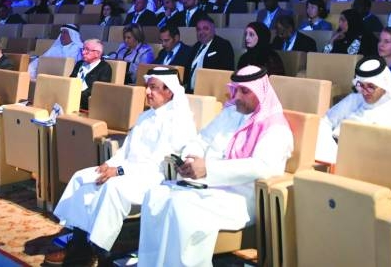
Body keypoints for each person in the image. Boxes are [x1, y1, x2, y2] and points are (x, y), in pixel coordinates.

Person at [137, 65, 294, 267]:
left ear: (260, 92)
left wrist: (208, 170)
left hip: (243, 196)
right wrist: (192, 158)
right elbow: (202, 139)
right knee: (156, 195)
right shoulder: (230, 113)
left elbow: (262, 167)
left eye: (245, 91)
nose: (237, 96)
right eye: (235, 89)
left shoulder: (275, 126)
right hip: (208, 187)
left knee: (182, 208)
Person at [48, 67, 198, 266]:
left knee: (112, 187)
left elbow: (159, 163)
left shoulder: (179, 120)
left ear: (168, 90)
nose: (147, 92)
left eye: (153, 88)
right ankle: (79, 243)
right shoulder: (145, 116)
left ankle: (100, 249)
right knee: (83, 177)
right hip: (128, 169)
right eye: (147, 87)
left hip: (155, 177)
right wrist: (109, 164)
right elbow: (125, 150)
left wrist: (119, 171)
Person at [314, 57, 391, 163]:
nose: (365, 92)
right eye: (361, 86)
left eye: (370, 87)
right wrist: (331, 152)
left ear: (384, 86)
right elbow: (326, 121)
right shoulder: (354, 99)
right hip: (336, 154)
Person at [186, 16, 236, 92]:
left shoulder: (223, 45)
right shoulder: (195, 47)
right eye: (198, 29)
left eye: (206, 28)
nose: (201, 32)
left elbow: (226, 71)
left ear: (213, 29)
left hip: (211, 91)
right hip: (191, 91)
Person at [70, 38, 112, 111]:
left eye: (87, 50)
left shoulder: (105, 68)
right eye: (83, 49)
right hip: (71, 99)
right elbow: (70, 80)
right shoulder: (79, 64)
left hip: (88, 106)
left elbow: (98, 90)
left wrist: (75, 95)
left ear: (97, 53)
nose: (83, 52)